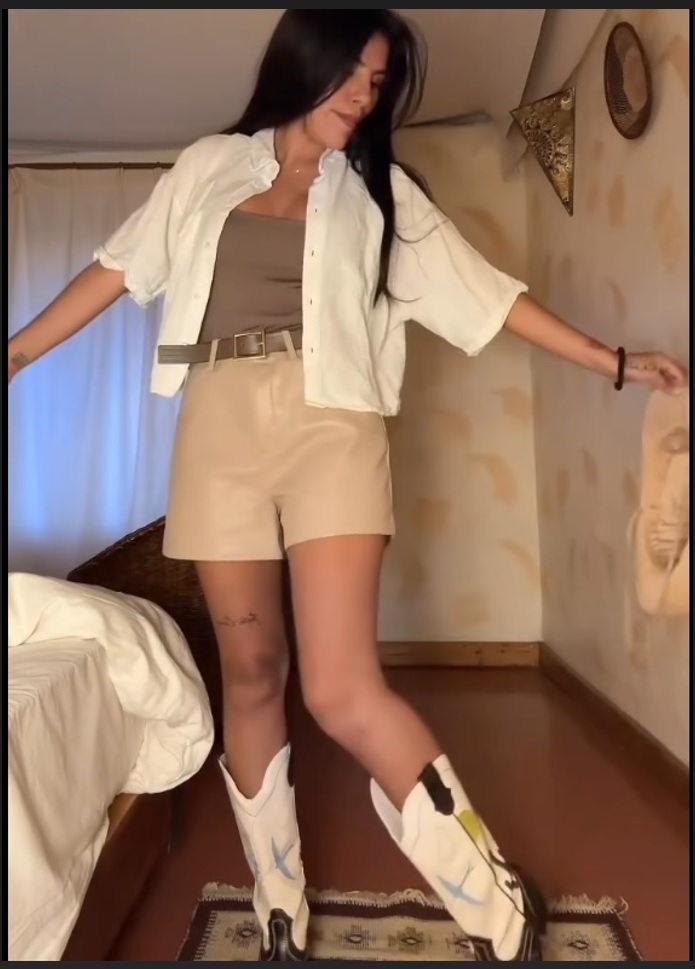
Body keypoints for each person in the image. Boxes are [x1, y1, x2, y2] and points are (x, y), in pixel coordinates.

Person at [8, 9, 687, 962]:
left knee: (340, 685)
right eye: (354, 74)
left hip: (333, 425)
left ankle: (494, 901)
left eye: (377, 83)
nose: (366, 97)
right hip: (217, 430)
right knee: (252, 671)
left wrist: (613, 361)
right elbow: (114, 270)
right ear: (306, 61)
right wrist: (13, 356)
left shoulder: (381, 196)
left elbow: (488, 294)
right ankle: (278, 905)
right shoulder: (208, 167)